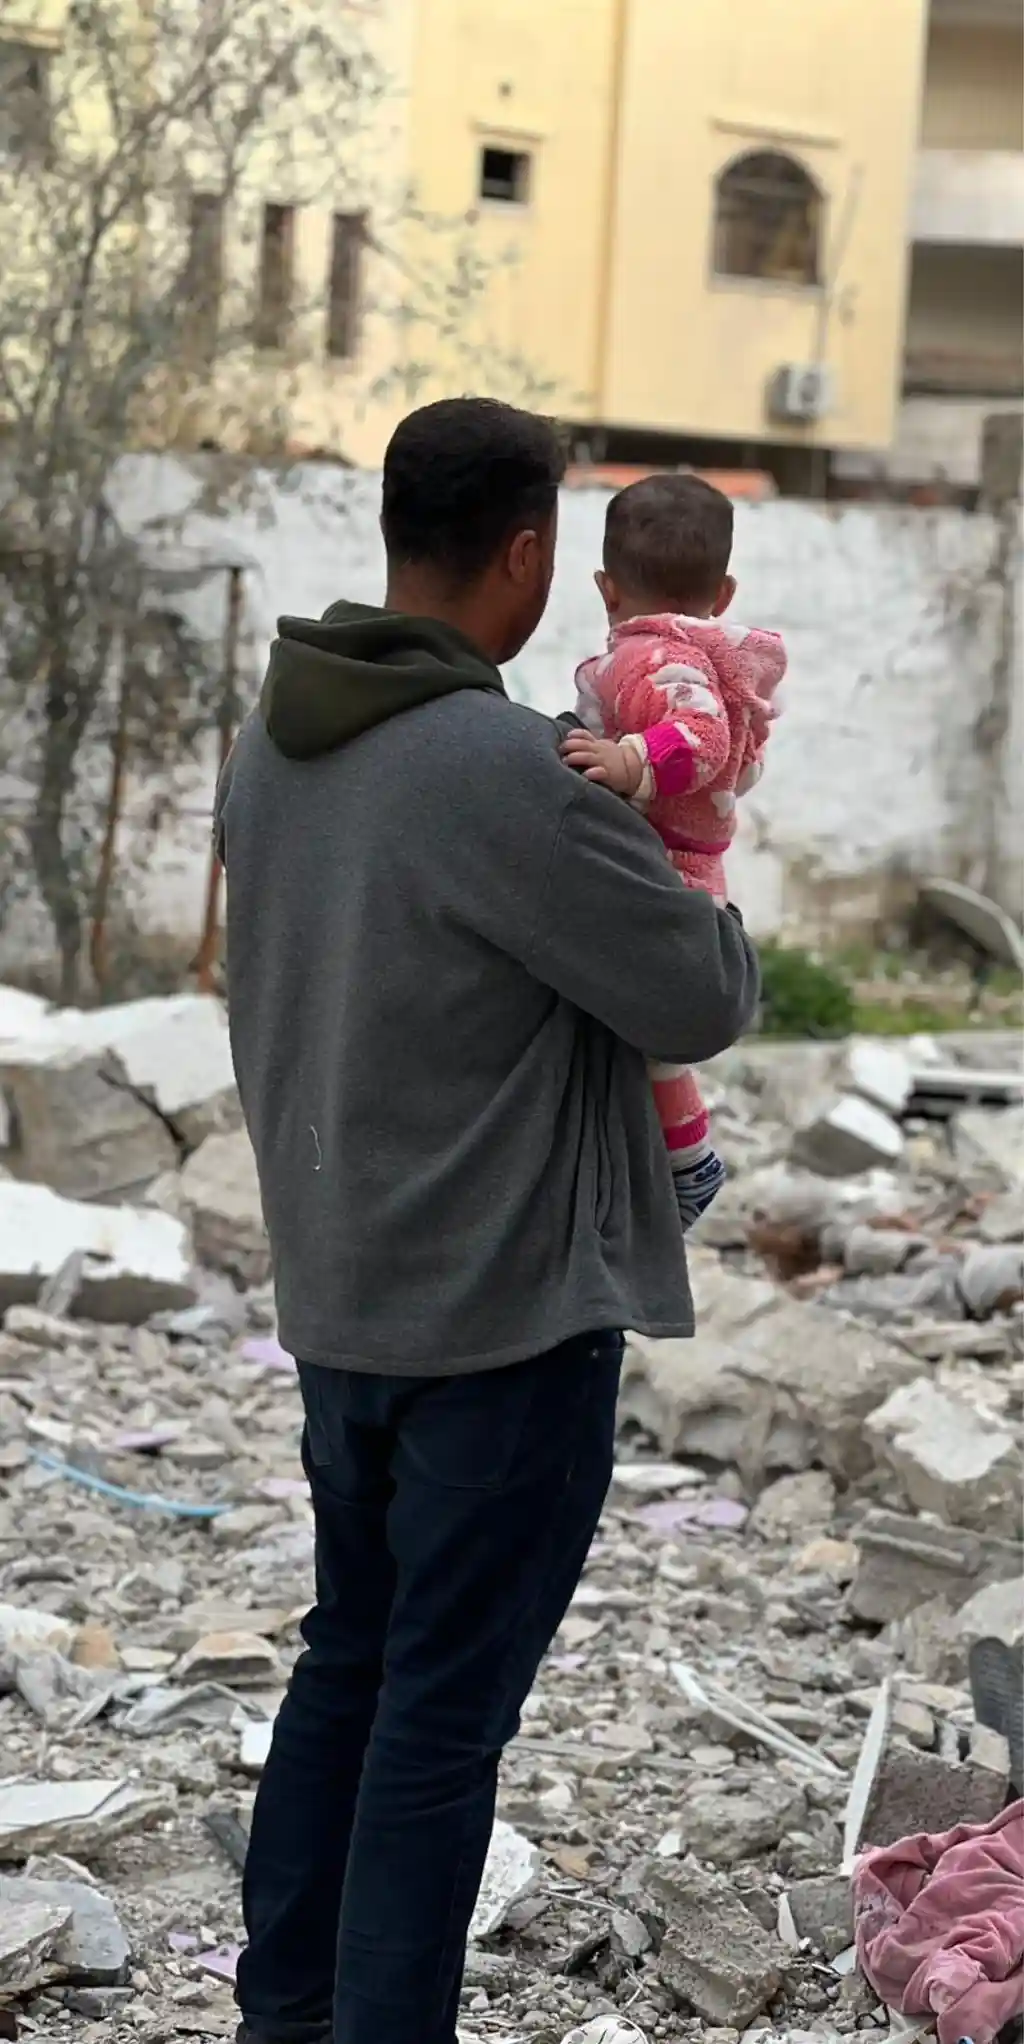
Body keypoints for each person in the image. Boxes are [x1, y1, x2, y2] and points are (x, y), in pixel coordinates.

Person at [214, 398, 759, 2044]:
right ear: (524, 552)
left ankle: (284, 2014)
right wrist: (700, 854)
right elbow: (696, 991)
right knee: (440, 1723)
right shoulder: (501, 767)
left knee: (350, 1665)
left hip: (341, 1302)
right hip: (501, 1326)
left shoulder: (273, 741)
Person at [562, 472, 786, 1231]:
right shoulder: (680, 653)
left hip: (674, 871)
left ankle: (690, 1166)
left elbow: (704, 737)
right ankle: (681, 1160)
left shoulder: (654, 657)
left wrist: (630, 762)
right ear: (722, 593)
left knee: (654, 1043)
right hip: (680, 861)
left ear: (605, 588)